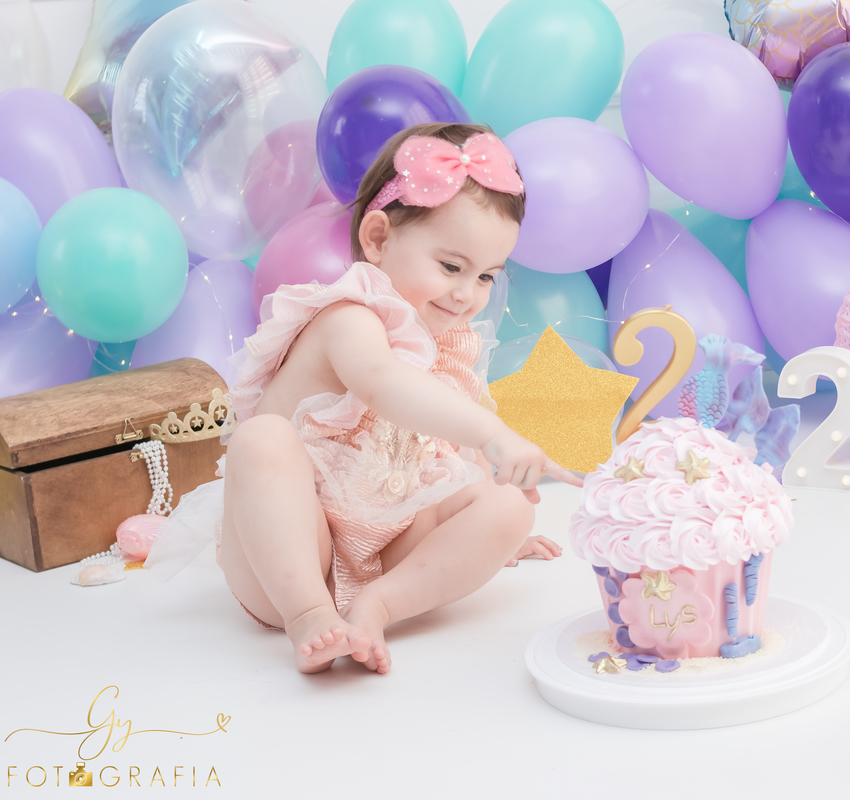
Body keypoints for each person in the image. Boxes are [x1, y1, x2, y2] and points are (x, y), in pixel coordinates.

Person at [149, 122, 580, 676]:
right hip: (291, 555)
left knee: (509, 504)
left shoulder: (446, 343)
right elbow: (385, 384)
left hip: (387, 547)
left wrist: (486, 535)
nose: (467, 294)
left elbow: (450, 444)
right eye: (452, 267)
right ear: (377, 239)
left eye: (486, 277)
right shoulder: (349, 318)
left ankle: (378, 604)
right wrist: (496, 436)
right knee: (262, 439)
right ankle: (310, 616)